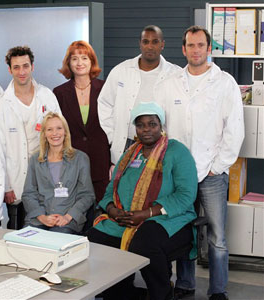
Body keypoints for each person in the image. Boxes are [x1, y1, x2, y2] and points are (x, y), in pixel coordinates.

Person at [157, 26, 245, 300]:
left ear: (209, 49)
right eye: (190, 46)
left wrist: (217, 166)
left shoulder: (225, 82)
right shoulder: (169, 83)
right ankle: (185, 284)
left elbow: (235, 129)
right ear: (183, 49)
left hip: (212, 172)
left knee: (217, 238)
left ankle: (218, 290)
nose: (196, 50)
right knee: (184, 232)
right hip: (178, 176)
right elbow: (161, 128)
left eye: (201, 45)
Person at [87, 102, 198, 300]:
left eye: (152, 124)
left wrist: (146, 214)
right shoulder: (130, 154)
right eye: (141, 125)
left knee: (143, 243)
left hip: (169, 219)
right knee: (96, 238)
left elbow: (185, 195)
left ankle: (161, 293)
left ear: (161, 126)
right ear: (135, 128)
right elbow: (110, 191)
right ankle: (121, 293)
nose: (146, 129)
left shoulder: (177, 152)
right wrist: (113, 211)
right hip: (126, 218)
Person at [0, 45, 61, 229]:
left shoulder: (47, 96)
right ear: (9, 69)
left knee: (47, 228)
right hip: (15, 179)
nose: (22, 72)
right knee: (18, 228)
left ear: (32, 67)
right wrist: (5, 185)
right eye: (16, 67)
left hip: (46, 176)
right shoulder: (1, 104)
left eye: (25, 66)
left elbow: (60, 134)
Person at [98, 25, 181, 175]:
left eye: (155, 42)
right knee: (124, 191)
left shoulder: (176, 74)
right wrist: (112, 135)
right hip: (126, 143)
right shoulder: (121, 70)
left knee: (156, 190)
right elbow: (104, 103)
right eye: (145, 41)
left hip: (160, 146)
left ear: (162, 44)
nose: (150, 46)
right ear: (140, 44)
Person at [53, 41, 110, 204]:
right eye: (74, 59)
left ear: (91, 61)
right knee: (74, 211)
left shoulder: (105, 88)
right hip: (72, 162)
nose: (80, 63)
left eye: (84, 58)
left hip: (101, 162)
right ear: (68, 63)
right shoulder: (59, 93)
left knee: (101, 210)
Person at [22, 112, 95, 234]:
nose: (55, 133)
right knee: (25, 245)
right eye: (49, 129)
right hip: (39, 220)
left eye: (59, 128)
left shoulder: (80, 158)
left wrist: (68, 216)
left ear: (65, 132)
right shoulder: (35, 160)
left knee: (55, 243)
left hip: (67, 221)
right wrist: (42, 217)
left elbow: (87, 195)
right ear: (44, 134)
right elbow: (28, 194)